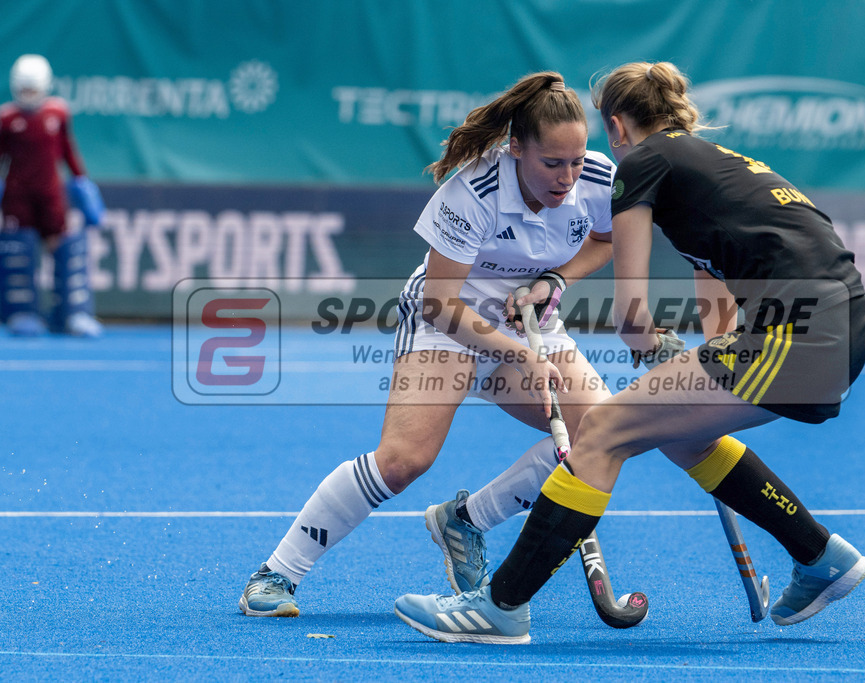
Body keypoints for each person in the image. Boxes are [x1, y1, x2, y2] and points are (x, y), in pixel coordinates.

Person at [395, 61, 865, 644]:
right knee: (684, 431)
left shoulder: (642, 166)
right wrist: (692, 360)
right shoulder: (709, 167)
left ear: (616, 127)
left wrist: (654, 346)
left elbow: (631, 315)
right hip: (839, 327)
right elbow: (716, 299)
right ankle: (819, 555)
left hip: (796, 333)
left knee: (600, 431)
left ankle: (499, 608)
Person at [239, 71, 623, 617]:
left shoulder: (597, 180)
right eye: (551, 163)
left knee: (601, 432)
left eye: (576, 161)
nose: (566, 178)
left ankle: (464, 522)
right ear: (516, 149)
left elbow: (605, 242)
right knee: (403, 461)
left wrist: (556, 280)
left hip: (526, 318)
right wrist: (518, 354)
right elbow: (441, 302)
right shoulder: (474, 190)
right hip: (448, 317)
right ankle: (276, 573)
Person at [0, 54, 105, 337]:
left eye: (33, 89)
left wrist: (82, 183)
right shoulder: (7, 118)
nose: (28, 95)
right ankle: (21, 312)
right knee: (18, 252)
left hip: (51, 196)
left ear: (45, 86)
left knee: (64, 249)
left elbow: (68, 151)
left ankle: (70, 312)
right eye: (24, 89)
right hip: (17, 197)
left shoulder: (57, 114)